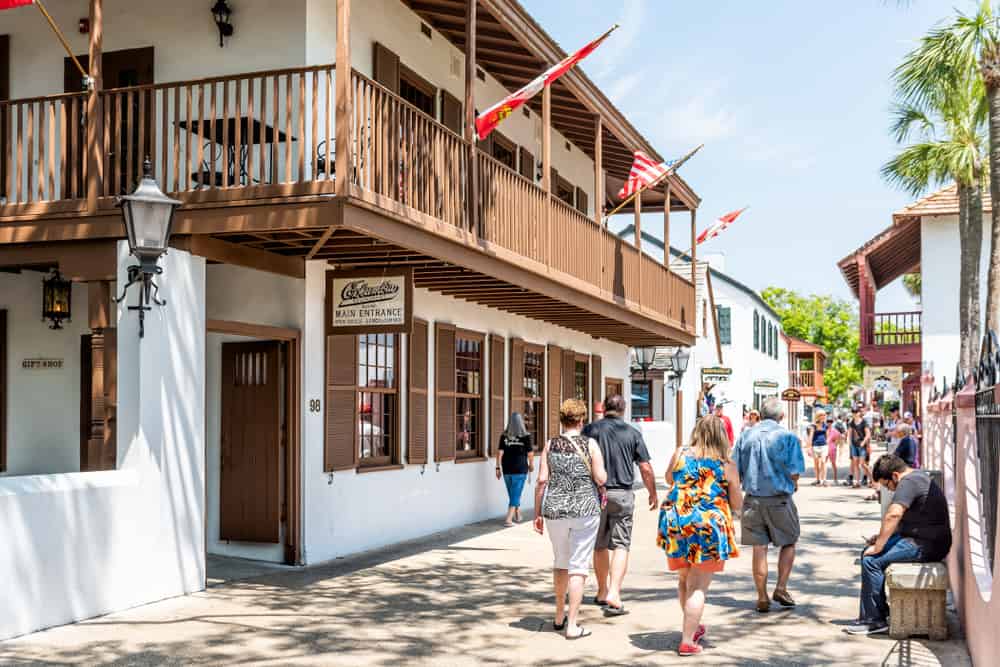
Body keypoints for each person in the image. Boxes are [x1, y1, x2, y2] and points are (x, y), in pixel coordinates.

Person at [659, 416, 743, 657]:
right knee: (699, 586)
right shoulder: (726, 464)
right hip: (708, 527)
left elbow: (668, 479)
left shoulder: (681, 453)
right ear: (723, 436)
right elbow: (736, 503)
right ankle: (687, 640)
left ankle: (691, 627)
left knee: (685, 579)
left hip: (677, 523)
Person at [845, 454, 952, 635]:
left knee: (871, 560)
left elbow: (894, 514)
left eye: (887, 486)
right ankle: (879, 612)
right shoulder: (916, 477)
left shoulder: (908, 482)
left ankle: (874, 620)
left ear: (895, 476)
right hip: (917, 539)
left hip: (927, 545)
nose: (891, 491)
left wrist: (879, 547)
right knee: (868, 552)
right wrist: (879, 538)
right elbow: (903, 521)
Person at [534, 399, 608, 640]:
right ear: (582, 420)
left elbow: (542, 480)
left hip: (555, 509)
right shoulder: (591, 445)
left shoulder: (550, 444)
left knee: (561, 561)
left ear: (562, 419)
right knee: (578, 566)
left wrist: (537, 513)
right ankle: (573, 624)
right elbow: (601, 477)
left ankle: (558, 616)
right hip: (585, 509)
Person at [583, 394, 658, 615]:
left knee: (599, 545)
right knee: (621, 545)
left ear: (604, 408)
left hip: (596, 493)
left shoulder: (591, 430)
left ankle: (602, 591)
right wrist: (652, 493)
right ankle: (615, 592)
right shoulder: (633, 433)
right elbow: (645, 468)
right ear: (624, 409)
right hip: (623, 494)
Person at [732, 397, 805, 613]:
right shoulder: (788, 437)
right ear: (781, 416)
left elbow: (735, 469)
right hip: (779, 498)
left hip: (752, 499)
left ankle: (761, 596)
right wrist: (794, 484)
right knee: (789, 542)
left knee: (759, 548)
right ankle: (781, 587)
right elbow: (795, 471)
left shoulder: (745, 436)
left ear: (760, 415)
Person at [496, 412, 534, 527]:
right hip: (520, 468)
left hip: (507, 468)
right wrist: (531, 464)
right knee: (515, 494)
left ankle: (517, 514)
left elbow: (499, 453)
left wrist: (497, 468)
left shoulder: (504, 436)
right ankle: (508, 519)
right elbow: (530, 454)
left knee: (513, 493)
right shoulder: (526, 436)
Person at [848, 406, 872, 489]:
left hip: (862, 445)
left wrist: (863, 442)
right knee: (856, 464)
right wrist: (850, 443)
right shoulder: (852, 422)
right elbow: (850, 433)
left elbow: (868, 434)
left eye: (856, 412)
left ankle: (872, 479)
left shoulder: (864, 422)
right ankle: (857, 482)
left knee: (863, 464)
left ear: (859, 413)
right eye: (853, 412)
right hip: (854, 445)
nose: (854, 414)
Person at [807, 410, 829, 486]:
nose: (823, 416)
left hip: (824, 445)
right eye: (821, 415)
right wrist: (809, 448)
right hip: (815, 446)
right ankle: (818, 479)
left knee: (823, 462)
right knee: (816, 463)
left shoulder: (825, 425)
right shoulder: (813, 425)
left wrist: (828, 444)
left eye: (824, 415)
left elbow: (827, 436)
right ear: (818, 416)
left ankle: (824, 480)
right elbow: (810, 437)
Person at [826, 413, 843, 486]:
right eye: (828, 421)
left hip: (832, 448)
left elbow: (839, 438)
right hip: (825, 448)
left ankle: (835, 479)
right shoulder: (825, 429)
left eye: (830, 421)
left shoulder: (835, 431)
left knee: (833, 464)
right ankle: (823, 479)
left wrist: (835, 445)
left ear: (832, 422)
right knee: (823, 463)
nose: (829, 423)